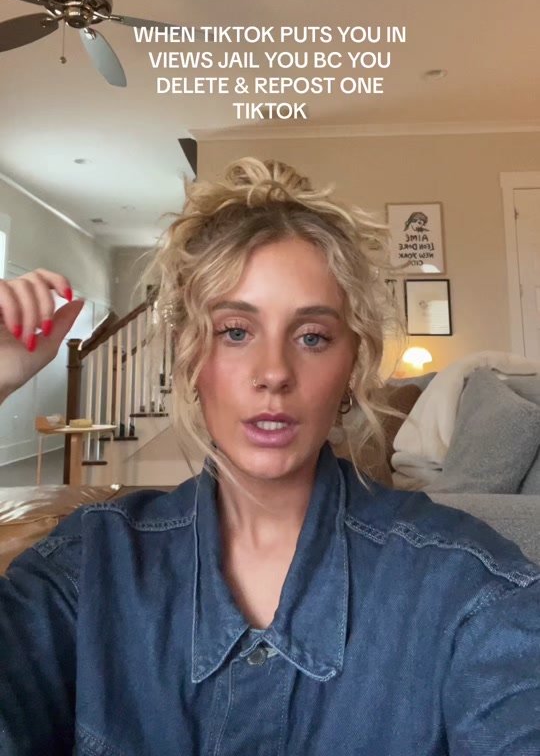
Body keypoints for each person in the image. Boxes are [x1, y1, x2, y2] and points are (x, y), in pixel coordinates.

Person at [1, 158, 539, 756]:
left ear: (352, 365)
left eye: (312, 337)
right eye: (236, 331)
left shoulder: (468, 586)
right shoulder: (87, 566)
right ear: (188, 355)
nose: (275, 373)